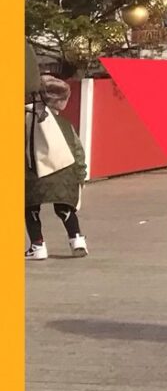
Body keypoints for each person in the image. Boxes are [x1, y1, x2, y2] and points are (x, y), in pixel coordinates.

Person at [27, 67, 88, 260]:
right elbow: (78, 151)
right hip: (66, 172)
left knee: (30, 206)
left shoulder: (27, 117)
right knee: (64, 207)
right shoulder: (65, 124)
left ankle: (37, 246)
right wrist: (81, 174)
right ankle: (77, 239)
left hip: (36, 173)